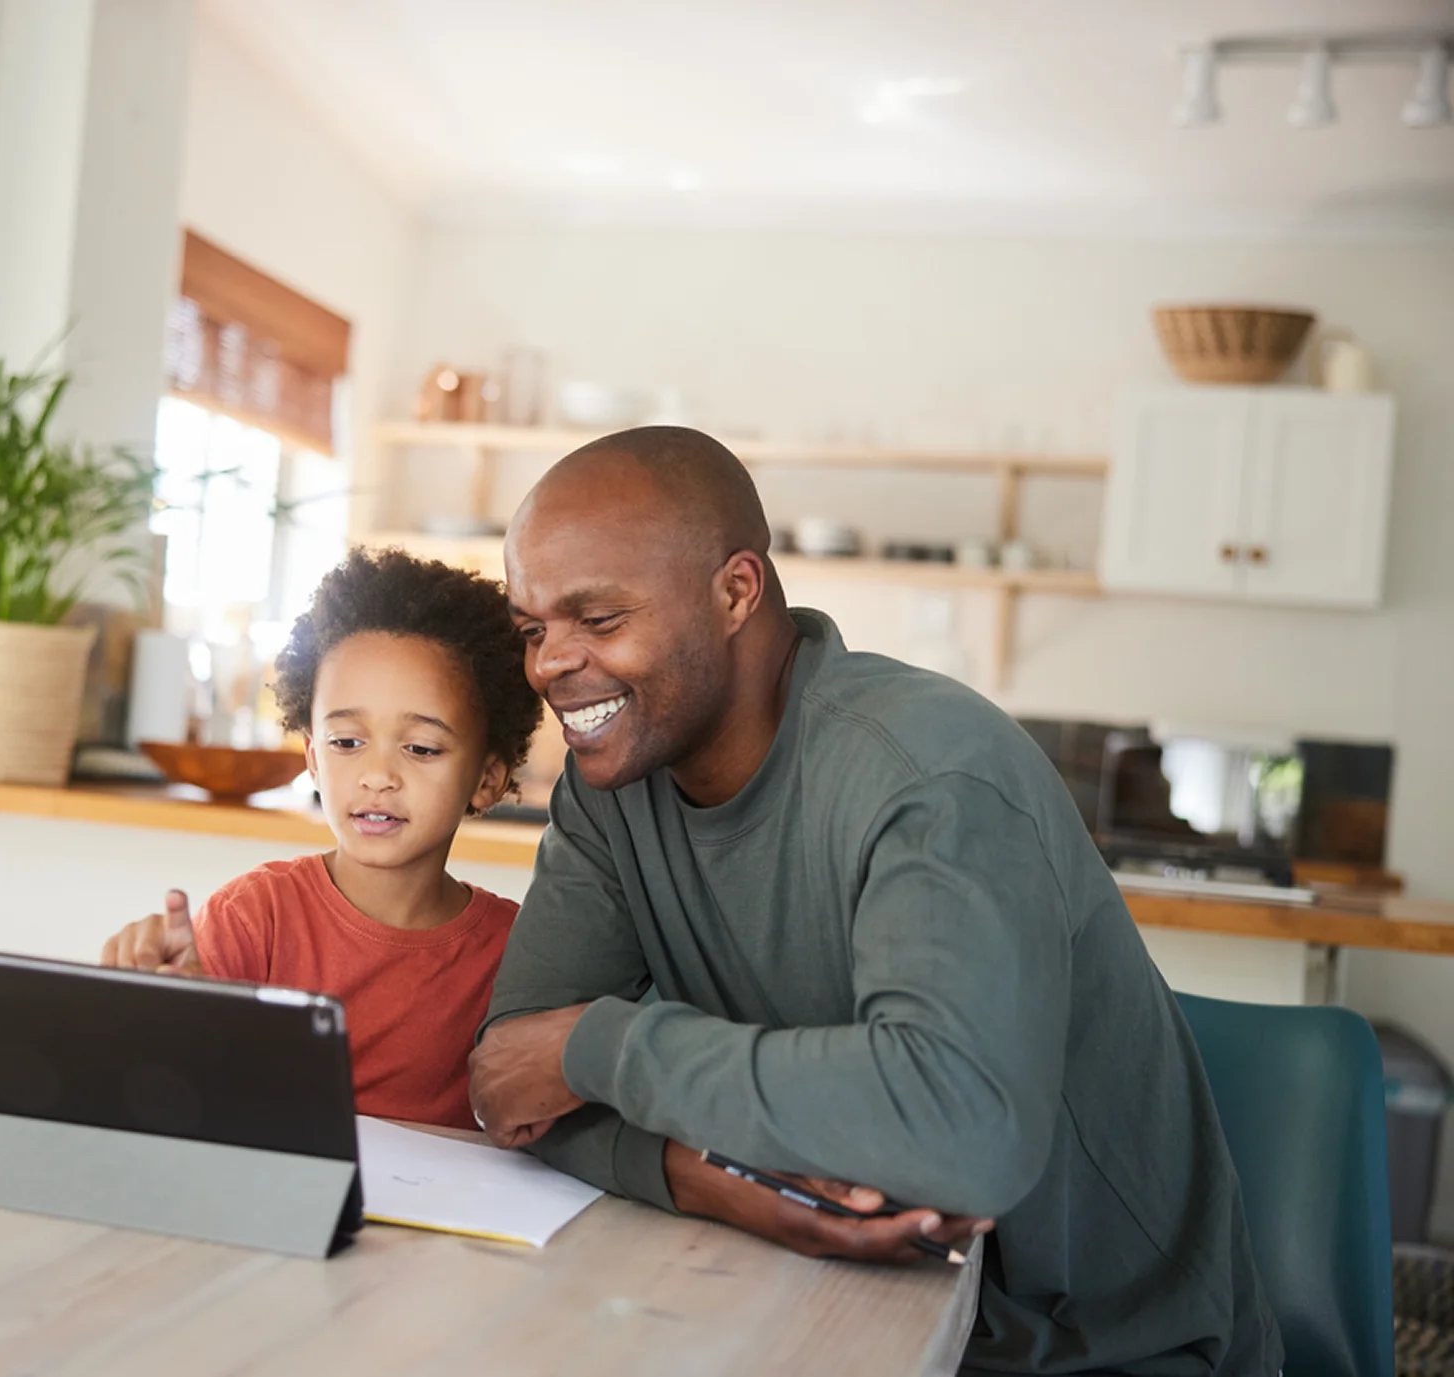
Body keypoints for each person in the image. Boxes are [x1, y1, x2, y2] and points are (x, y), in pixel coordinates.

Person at [468, 427, 1282, 1375]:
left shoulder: (930, 768)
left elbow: (958, 1131)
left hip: (1096, 1351)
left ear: (736, 591)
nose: (548, 665)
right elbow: (508, 1082)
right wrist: (708, 1178)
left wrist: (594, 1047)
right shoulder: (613, 789)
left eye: (598, 620)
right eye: (532, 628)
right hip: (808, 1300)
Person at [102, 547, 542, 1130]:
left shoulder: (516, 954)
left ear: (487, 779)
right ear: (312, 757)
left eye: (421, 748)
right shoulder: (255, 917)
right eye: (346, 743)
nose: (378, 775)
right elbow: (168, 1084)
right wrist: (165, 998)